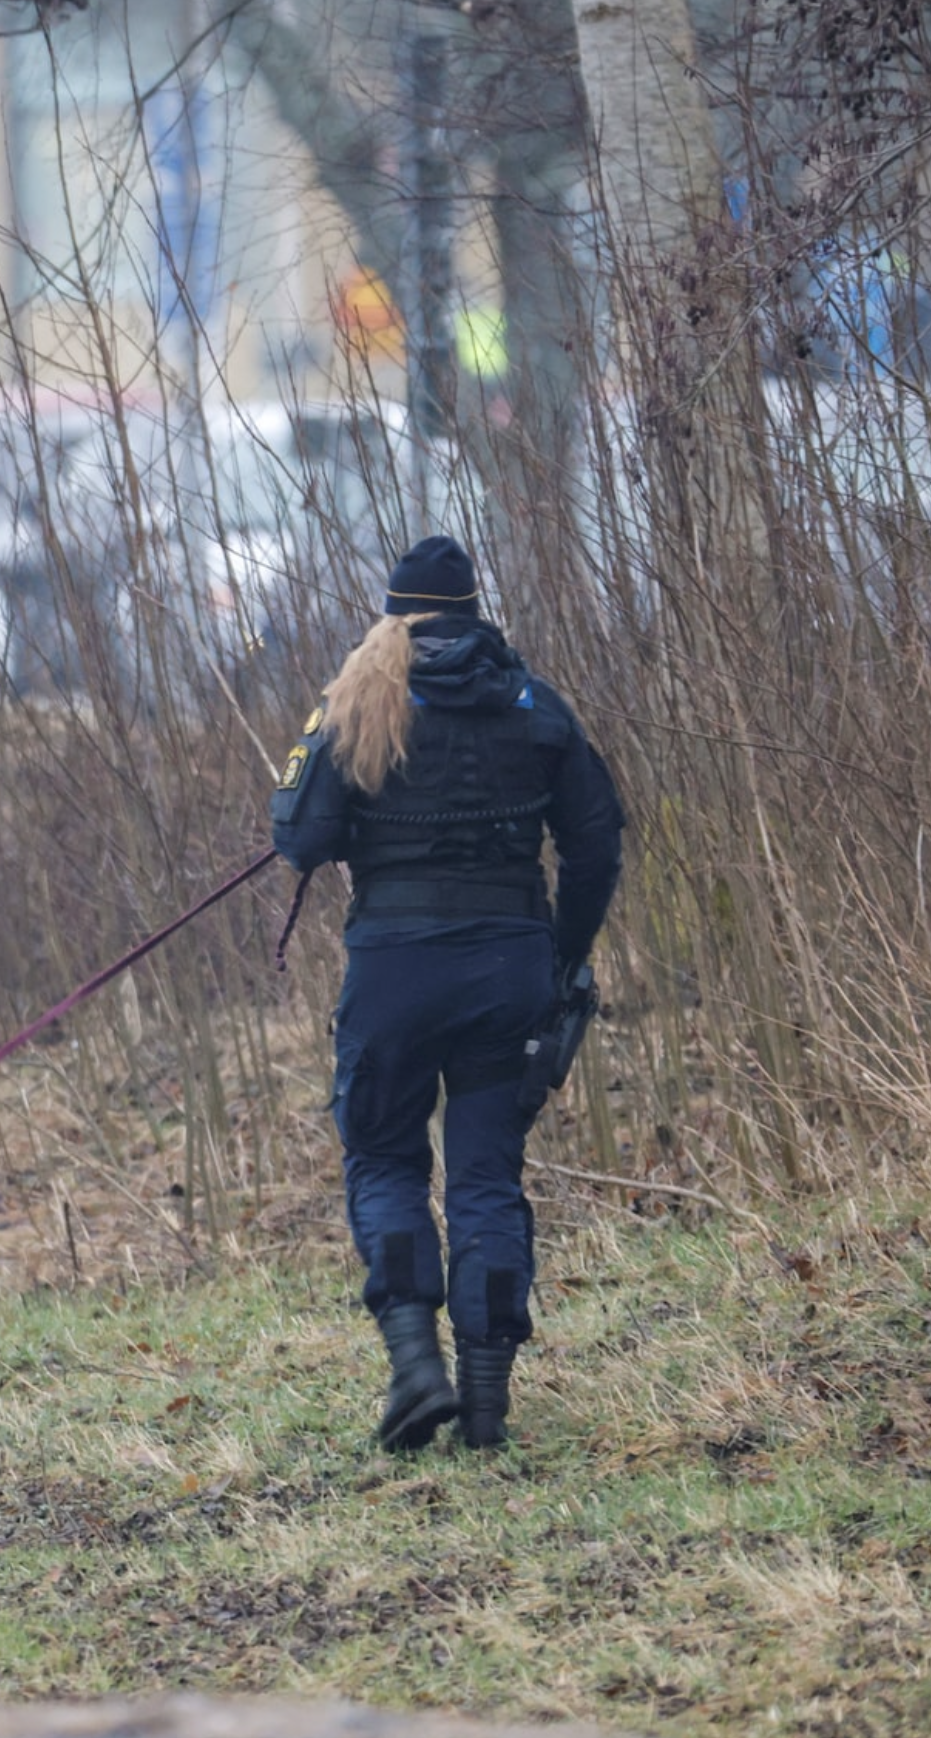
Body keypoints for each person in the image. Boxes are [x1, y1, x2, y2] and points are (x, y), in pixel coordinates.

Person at [269, 536, 624, 1452]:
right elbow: (596, 844)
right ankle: (488, 1403)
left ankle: (415, 1367)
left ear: (395, 613)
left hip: (393, 971)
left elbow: (300, 841)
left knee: (384, 1160)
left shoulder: (355, 704)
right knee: (484, 1177)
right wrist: (560, 958)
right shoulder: (536, 704)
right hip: (508, 969)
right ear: (475, 608)